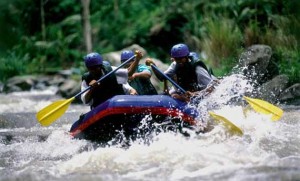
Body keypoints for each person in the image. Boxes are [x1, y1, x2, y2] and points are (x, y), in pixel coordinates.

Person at [146, 43, 218, 102]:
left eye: (181, 59)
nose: (179, 61)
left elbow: (210, 89)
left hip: (201, 93)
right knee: (172, 95)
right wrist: (153, 65)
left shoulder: (197, 68)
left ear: (186, 57)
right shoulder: (175, 64)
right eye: (176, 59)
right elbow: (162, 77)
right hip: (188, 92)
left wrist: (193, 94)